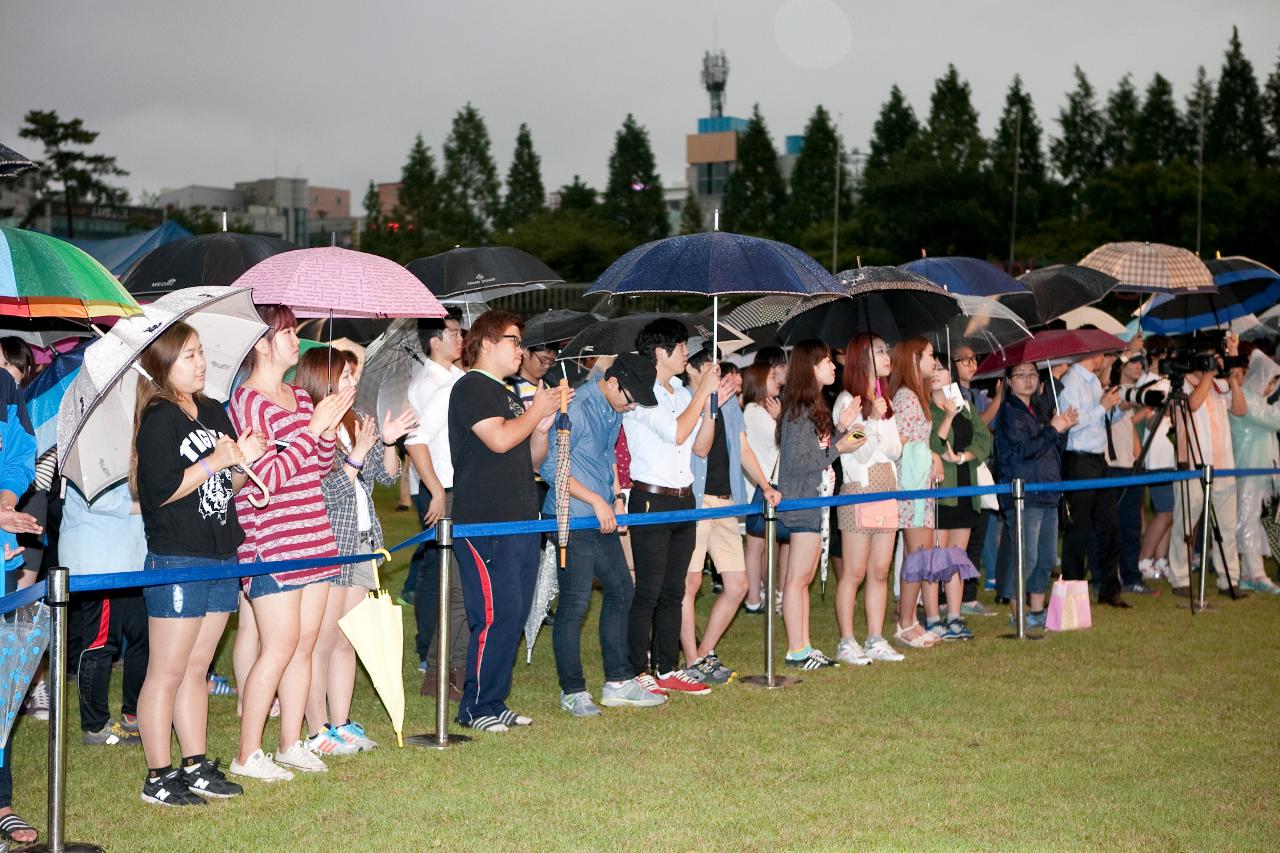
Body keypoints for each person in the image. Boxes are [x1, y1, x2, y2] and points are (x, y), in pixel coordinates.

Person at [131, 322, 265, 805]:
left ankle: (195, 763)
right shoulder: (159, 417)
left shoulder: (212, 410)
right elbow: (161, 490)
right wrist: (214, 462)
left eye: (202, 353)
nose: (201, 363)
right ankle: (157, 774)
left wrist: (241, 463)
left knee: (197, 667)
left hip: (219, 551)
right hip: (177, 555)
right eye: (189, 356)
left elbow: (223, 491)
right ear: (163, 366)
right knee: (166, 671)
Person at [230, 305, 354, 780]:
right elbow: (267, 479)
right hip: (273, 541)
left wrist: (327, 420)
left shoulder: (301, 397)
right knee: (278, 647)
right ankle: (247, 752)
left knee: (303, 646)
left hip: (314, 534)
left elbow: (319, 468)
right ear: (262, 342)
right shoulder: (247, 403)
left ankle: (291, 743)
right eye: (288, 333)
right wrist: (312, 430)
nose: (296, 342)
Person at [449, 310, 567, 732]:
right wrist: (535, 413)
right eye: (514, 341)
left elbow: (529, 459)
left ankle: (494, 701)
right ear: (486, 343)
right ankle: (474, 707)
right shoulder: (471, 388)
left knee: (513, 614)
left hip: (519, 518)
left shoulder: (510, 394)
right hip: (485, 522)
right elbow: (498, 439)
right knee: (493, 615)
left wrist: (541, 426)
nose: (521, 350)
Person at [296, 348, 417, 753]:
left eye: (353, 374)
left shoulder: (352, 421)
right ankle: (317, 731)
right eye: (345, 376)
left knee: (347, 640)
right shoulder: (314, 428)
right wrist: (358, 454)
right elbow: (320, 494)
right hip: (331, 545)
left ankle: (342, 722)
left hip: (363, 543)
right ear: (322, 382)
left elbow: (385, 477)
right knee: (322, 642)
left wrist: (387, 441)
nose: (353, 382)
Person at [541, 353, 668, 715]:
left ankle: (617, 682)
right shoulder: (577, 407)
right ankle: (573, 690)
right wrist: (597, 501)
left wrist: (616, 498)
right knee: (576, 602)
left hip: (600, 514)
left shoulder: (615, 409)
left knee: (622, 590)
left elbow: (608, 457)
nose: (632, 406)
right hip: (570, 516)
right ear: (613, 382)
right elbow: (552, 468)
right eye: (631, 397)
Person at [623, 318, 727, 695]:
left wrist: (711, 405)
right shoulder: (640, 392)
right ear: (661, 352)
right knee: (648, 589)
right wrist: (703, 392)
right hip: (651, 498)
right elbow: (676, 431)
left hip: (684, 499)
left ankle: (667, 666)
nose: (688, 353)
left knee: (675, 589)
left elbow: (699, 446)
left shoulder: (683, 392)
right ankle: (639, 669)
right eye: (682, 347)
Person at [681, 346, 778, 684]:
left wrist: (764, 485)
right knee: (690, 582)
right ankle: (692, 660)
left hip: (727, 501)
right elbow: (694, 446)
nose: (716, 370)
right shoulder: (683, 401)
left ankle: (704, 653)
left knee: (737, 584)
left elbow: (744, 449)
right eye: (709, 364)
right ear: (692, 370)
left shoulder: (730, 405)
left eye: (717, 364)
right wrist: (710, 405)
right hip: (694, 499)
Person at [777, 340, 863, 669]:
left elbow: (818, 450)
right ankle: (796, 650)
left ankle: (804, 645)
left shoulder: (812, 404)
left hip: (812, 498)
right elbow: (800, 461)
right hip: (801, 498)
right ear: (810, 367)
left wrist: (842, 429)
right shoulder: (799, 409)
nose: (833, 366)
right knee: (798, 579)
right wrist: (842, 446)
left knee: (804, 577)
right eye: (826, 361)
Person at [832, 334, 904, 665]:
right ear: (862, 358)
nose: (887, 355)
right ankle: (847, 640)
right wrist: (872, 421)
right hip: (859, 491)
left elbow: (894, 449)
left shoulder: (883, 400)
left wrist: (879, 421)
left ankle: (875, 637)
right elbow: (857, 451)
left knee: (880, 569)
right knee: (855, 571)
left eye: (885, 349)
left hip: (887, 490)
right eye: (879, 350)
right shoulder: (847, 402)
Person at [63, 482, 148, 747]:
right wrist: (148, 504)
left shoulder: (133, 440)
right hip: (100, 556)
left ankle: (134, 712)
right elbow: (95, 497)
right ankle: (96, 726)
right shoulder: (85, 442)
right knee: (101, 642)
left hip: (134, 556)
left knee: (144, 635)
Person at [993, 362, 1076, 626]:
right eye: (1020, 375)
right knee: (1025, 557)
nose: (1028, 380)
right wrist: (1053, 429)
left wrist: (1062, 428)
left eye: (1032, 374)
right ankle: (1017, 614)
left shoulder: (1038, 410)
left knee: (1047, 558)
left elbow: (1052, 450)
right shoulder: (1009, 412)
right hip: (1024, 495)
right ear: (1009, 381)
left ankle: (1037, 611)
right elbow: (1022, 453)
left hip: (1047, 490)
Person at [1166, 339, 1247, 598]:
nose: (1217, 363)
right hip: (1192, 467)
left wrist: (1232, 379)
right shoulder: (1181, 384)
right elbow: (1191, 405)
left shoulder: (1218, 385)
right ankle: (1179, 577)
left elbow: (1241, 410)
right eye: (1212, 358)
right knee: (1185, 525)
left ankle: (1229, 579)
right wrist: (1209, 375)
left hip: (1224, 467)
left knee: (1226, 527)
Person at [925, 356, 990, 641]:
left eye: (942, 368)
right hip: (938, 491)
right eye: (934, 367)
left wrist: (963, 457)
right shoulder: (925, 408)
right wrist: (948, 416)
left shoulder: (966, 407)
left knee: (956, 557)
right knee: (934, 557)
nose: (937, 373)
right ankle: (932, 617)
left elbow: (983, 439)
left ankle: (954, 615)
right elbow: (931, 445)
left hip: (965, 487)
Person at [0, 368, 38, 839]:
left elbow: (19, 453)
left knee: (1, 689)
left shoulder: (5, 387)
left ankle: (1, 801)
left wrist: (6, 504)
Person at [1058, 350, 1127, 607]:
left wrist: (1113, 407)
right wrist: (1101, 407)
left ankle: (1110, 589)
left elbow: (1101, 419)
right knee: (1079, 530)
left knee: (1109, 527)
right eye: (1103, 353)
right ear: (1092, 353)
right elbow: (1071, 423)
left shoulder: (1095, 381)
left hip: (1099, 460)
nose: (1105, 357)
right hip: (1078, 459)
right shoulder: (1070, 382)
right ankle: (1074, 592)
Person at [404, 309, 463, 606]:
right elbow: (417, 439)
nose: (461, 338)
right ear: (435, 342)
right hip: (439, 485)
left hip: (457, 482)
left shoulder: (458, 376)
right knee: (437, 566)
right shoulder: (427, 384)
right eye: (454, 333)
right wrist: (436, 489)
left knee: (449, 565)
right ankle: (428, 644)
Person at [890, 337, 943, 648]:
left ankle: (910, 620)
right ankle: (905, 621)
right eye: (929, 355)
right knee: (916, 557)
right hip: (912, 489)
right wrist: (931, 455)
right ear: (914, 359)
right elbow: (902, 442)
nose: (934, 362)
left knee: (918, 556)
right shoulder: (906, 398)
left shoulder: (915, 395)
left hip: (921, 487)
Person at [950, 344, 1000, 617]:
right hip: (960, 472)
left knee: (978, 535)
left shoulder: (975, 394)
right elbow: (976, 426)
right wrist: (998, 401)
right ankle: (956, 597)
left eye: (974, 358)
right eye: (964, 359)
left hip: (980, 468)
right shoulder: (952, 394)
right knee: (962, 538)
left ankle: (969, 594)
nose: (972, 363)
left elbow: (986, 429)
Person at [1231, 349, 1280, 594]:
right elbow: (1275, 419)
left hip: (1259, 472)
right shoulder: (1247, 400)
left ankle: (1249, 572)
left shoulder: (1258, 401)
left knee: (1253, 521)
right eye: (1270, 380)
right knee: (1248, 521)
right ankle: (1257, 575)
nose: (1271, 387)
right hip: (1248, 470)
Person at [741, 363, 787, 614]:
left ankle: (762, 596)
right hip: (760, 486)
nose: (777, 380)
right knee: (757, 545)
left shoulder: (763, 410)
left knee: (765, 545)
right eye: (771, 376)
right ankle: (754, 599)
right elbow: (780, 440)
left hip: (767, 484)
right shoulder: (753, 411)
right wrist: (780, 419)